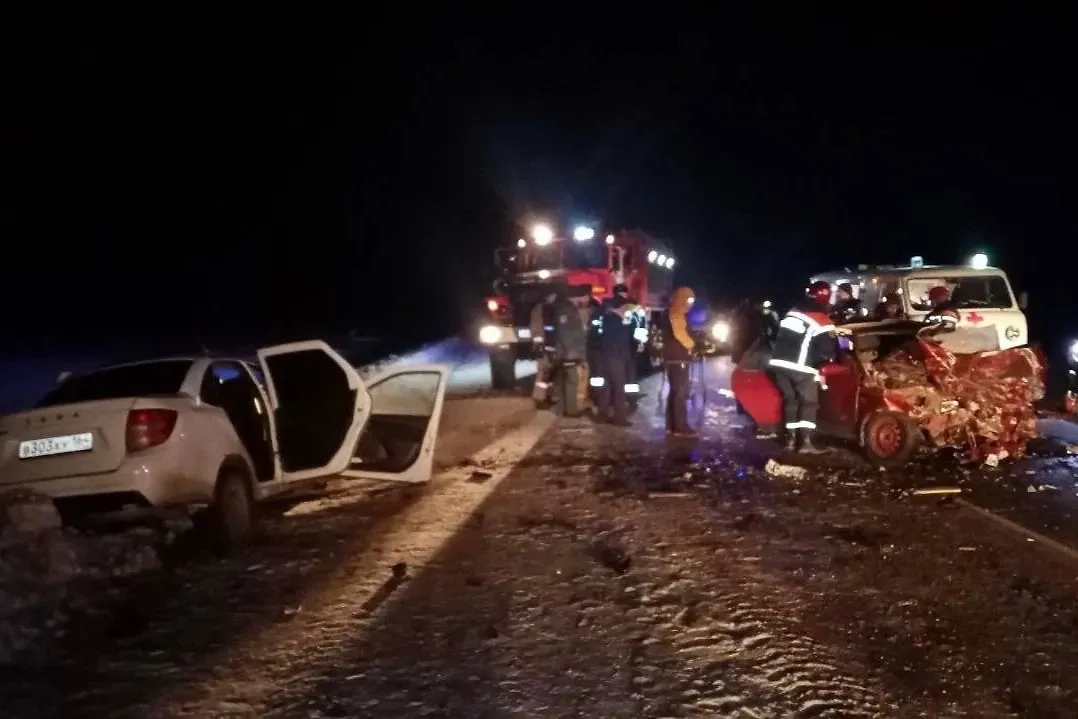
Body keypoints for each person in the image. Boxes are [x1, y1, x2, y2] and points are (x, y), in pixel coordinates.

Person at [768, 281, 836, 452]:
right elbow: (826, 351)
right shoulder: (822, 320)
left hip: (778, 364)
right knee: (810, 402)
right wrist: (825, 366)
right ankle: (805, 443)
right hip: (800, 366)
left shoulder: (792, 312)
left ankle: (790, 442)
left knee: (791, 400)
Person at [663, 286, 698, 437]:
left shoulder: (672, 312)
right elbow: (680, 335)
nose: (690, 305)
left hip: (673, 358)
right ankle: (680, 426)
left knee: (675, 392)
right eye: (688, 300)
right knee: (680, 393)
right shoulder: (676, 313)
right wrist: (693, 346)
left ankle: (671, 425)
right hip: (678, 359)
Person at [548, 286, 588, 417]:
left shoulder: (566, 307)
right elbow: (564, 331)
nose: (585, 300)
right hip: (569, 352)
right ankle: (571, 410)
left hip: (569, 351)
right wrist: (570, 350)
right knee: (572, 380)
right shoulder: (565, 308)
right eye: (585, 297)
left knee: (565, 380)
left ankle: (563, 408)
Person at [596, 290, 634, 425]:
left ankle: (602, 415)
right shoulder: (617, 321)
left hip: (607, 357)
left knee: (607, 387)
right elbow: (620, 341)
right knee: (619, 388)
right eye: (625, 307)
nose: (626, 310)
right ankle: (620, 418)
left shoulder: (607, 319)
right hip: (616, 358)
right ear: (619, 307)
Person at [530, 299, 553, 406]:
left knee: (548, 372)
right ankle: (539, 398)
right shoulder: (540, 309)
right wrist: (539, 346)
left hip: (547, 345)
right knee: (543, 372)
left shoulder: (543, 308)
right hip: (543, 347)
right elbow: (536, 329)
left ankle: (546, 396)